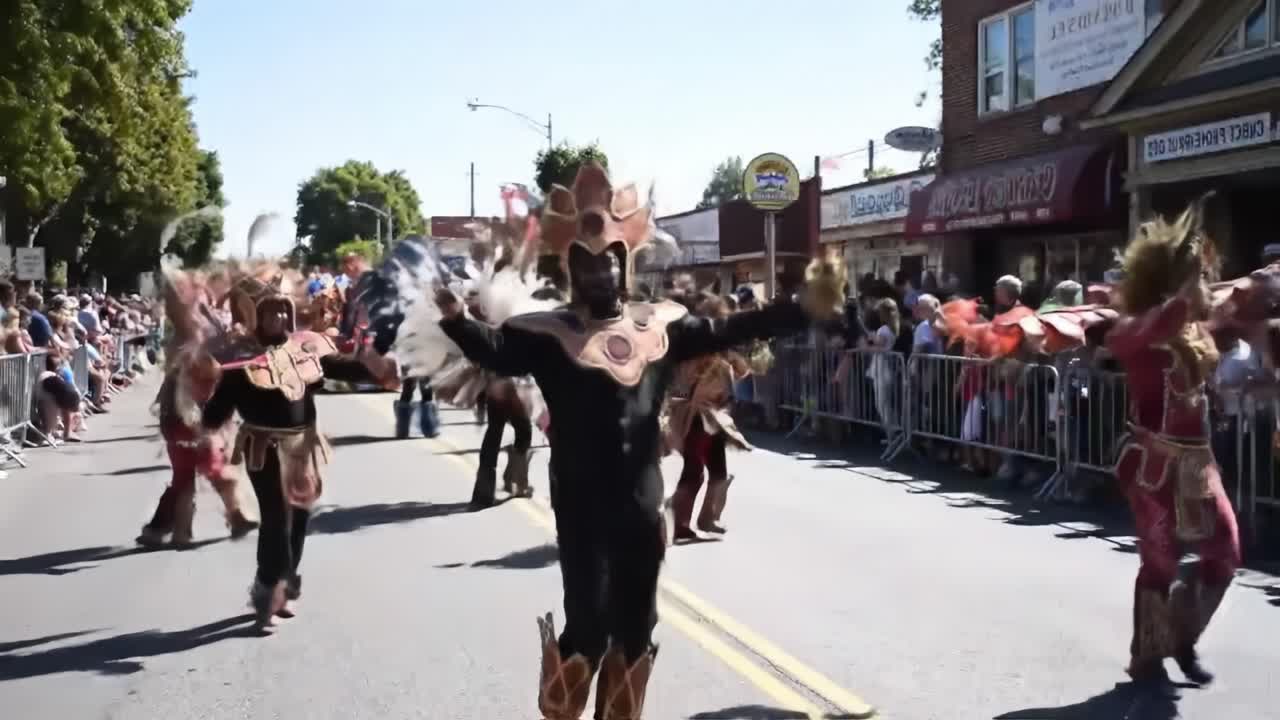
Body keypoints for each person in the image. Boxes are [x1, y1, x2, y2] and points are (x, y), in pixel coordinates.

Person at [434, 163, 842, 719]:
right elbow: (494, 351)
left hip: (641, 505)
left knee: (637, 628)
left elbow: (729, 330)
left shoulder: (659, 327)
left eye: (609, 262)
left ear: (624, 264)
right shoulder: (547, 334)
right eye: (587, 264)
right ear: (572, 269)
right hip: (581, 506)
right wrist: (457, 320)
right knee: (588, 627)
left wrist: (801, 307)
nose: (600, 273)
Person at [197, 273, 397, 633]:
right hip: (264, 447)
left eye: (281, 313)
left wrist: (377, 370)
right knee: (275, 519)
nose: (278, 320)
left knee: (300, 518)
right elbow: (216, 412)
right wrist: (203, 409)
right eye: (270, 314)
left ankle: (282, 584)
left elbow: (337, 366)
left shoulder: (302, 351)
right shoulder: (240, 363)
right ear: (255, 317)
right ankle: (266, 593)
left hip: (302, 448)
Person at [1105, 203, 1240, 687]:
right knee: (1159, 561)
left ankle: (1181, 638)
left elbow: (1228, 322)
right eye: (1195, 273)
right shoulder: (1138, 326)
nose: (1204, 280)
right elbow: (1140, 336)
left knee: (1225, 552)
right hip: (1154, 466)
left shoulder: (1193, 326)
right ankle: (1148, 655)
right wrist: (1185, 299)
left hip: (1199, 464)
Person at [665, 294, 753, 541]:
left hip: (716, 415)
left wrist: (735, 355)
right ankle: (675, 520)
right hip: (695, 415)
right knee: (694, 470)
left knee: (718, 472)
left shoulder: (723, 350)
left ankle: (708, 517)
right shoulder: (693, 349)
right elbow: (682, 381)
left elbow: (744, 372)